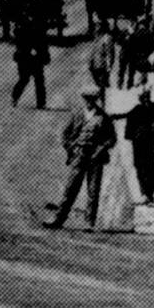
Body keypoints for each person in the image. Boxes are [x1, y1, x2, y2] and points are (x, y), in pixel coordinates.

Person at [47, 89, 115, 231]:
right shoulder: (77, 114)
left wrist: (101, 149)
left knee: (93, 191)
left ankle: (89, 223)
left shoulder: (103, 117)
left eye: (92, 99)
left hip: (95, 157)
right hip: (79, 155)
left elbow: (111, 138)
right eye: (86, 99)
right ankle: (59, 218)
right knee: (70, 188)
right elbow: (65, 134)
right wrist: (71, 149)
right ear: (83, 99)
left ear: (95, 100)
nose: (89, 102)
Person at [8, 0, 52, 109]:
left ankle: (41, 103)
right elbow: (18, 36)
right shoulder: (23, 21)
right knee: (24, 79)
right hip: (25, 53)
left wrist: (44, 53)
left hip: (35, 53)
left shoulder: (40, 20)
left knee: (39, 79)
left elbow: (43, 38)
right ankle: (15, 97)